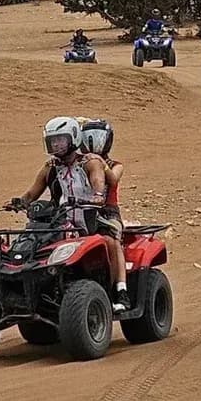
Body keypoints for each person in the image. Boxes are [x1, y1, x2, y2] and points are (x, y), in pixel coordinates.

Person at [10, 117, 123, 312]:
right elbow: (31, 193)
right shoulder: (50, 167)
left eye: (60, 140)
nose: (56, 145)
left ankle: (118, 291)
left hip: (93, 215)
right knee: (39, 242)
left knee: (110, 241)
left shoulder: (91, 161)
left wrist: (97, 196)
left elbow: (99, 181)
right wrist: (20, 202)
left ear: (73, 138)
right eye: (53, 141)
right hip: (63, 217)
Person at [80, 118, 129, 312]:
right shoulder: (81, 163)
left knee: (111, 240)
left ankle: (121, 290)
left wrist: (100, 163)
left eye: (99, 138)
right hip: (81, 210)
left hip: (108, 212)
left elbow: (113, 178)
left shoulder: (116, 165)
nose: (94, 143)